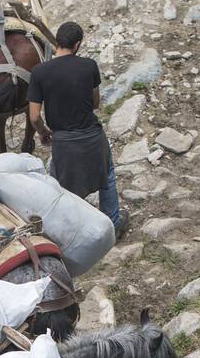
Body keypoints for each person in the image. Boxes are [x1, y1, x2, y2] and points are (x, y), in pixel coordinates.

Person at [27, 20, 129, 239]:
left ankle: (69, 234)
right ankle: (113, 224)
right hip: (92, 137)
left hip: (63, 143)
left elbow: (34, 116)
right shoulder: (89, 66)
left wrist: (44, 132)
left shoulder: (39, 72)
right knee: (108, 176)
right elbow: (95, 103)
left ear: (58, 42)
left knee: (60, 188)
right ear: (78, 44)